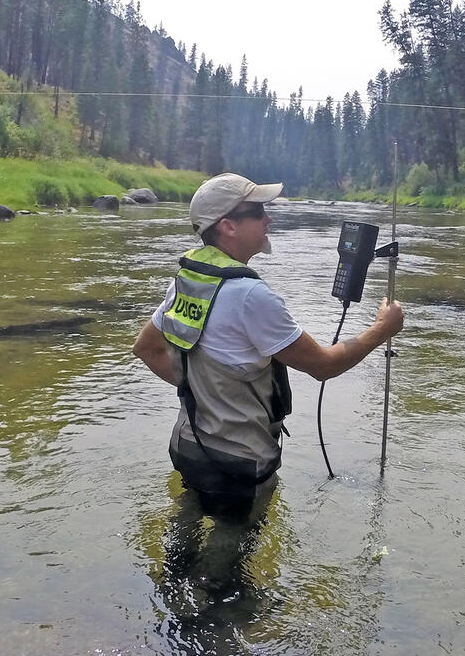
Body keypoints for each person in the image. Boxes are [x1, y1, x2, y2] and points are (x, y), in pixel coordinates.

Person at [132, 172, 404, 508]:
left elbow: (145, 348)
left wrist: (203, 393)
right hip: (239, 461)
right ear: (228, 226)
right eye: (258, 212)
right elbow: (324, 365)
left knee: (184, 528)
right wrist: (382, 328)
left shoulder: (188, 281)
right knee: (233, 551)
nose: (268, 218)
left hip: (188, 444)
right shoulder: (251, 296)